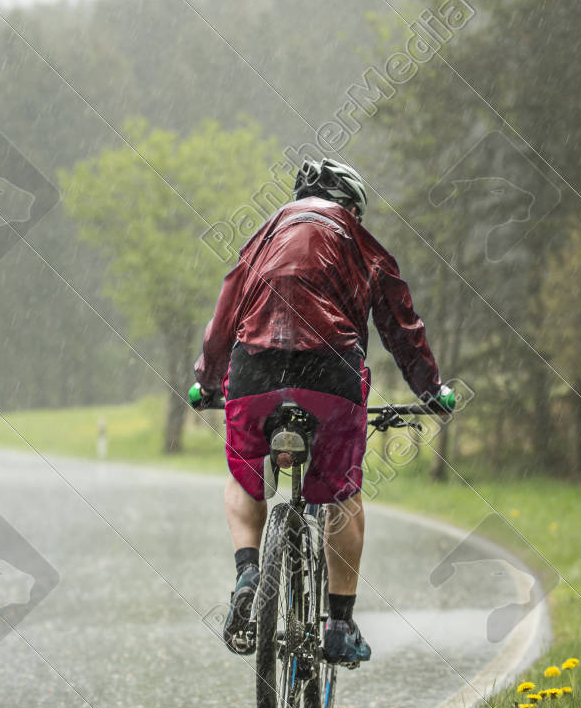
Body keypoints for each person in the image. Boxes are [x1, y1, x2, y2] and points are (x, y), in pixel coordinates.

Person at [191, 159, 451, 665]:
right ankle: (339, 623)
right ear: (351, 206)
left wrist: (206, 381)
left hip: (255, 373)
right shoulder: (361, 242)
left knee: (246, 479)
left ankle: (248, 573)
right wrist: (431, 389)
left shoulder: (261, 240)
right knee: (343, 495)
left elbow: (224, 317)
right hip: (330, 376)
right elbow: (401, 327)